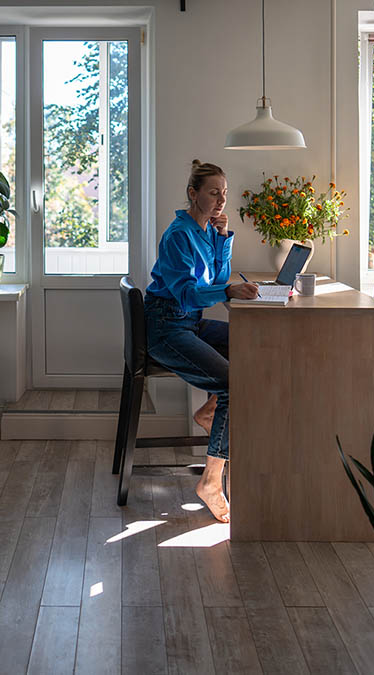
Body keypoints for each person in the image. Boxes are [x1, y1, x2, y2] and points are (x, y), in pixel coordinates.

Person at [144, 160, 258, 523]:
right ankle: (211, 481)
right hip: (167, 327)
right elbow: (188, 294)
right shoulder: (178, 234)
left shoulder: (206, 229)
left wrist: (223, 240)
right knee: (233, 384)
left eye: (224, 193)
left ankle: (210, 412)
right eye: (213, 192)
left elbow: (219, 276)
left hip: (188, 323)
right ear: (193, 194)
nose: (221, 200)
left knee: (252, 342)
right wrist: (228, 289)